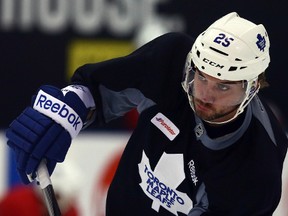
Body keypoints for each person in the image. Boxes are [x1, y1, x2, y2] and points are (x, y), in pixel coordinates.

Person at [5, 12, 288, 216]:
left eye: (223, 86)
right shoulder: (173, 60)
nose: (204, 94)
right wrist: (67, 108)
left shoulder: (258, 166)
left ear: (252, 87)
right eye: (201, 77)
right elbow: (97, 90)